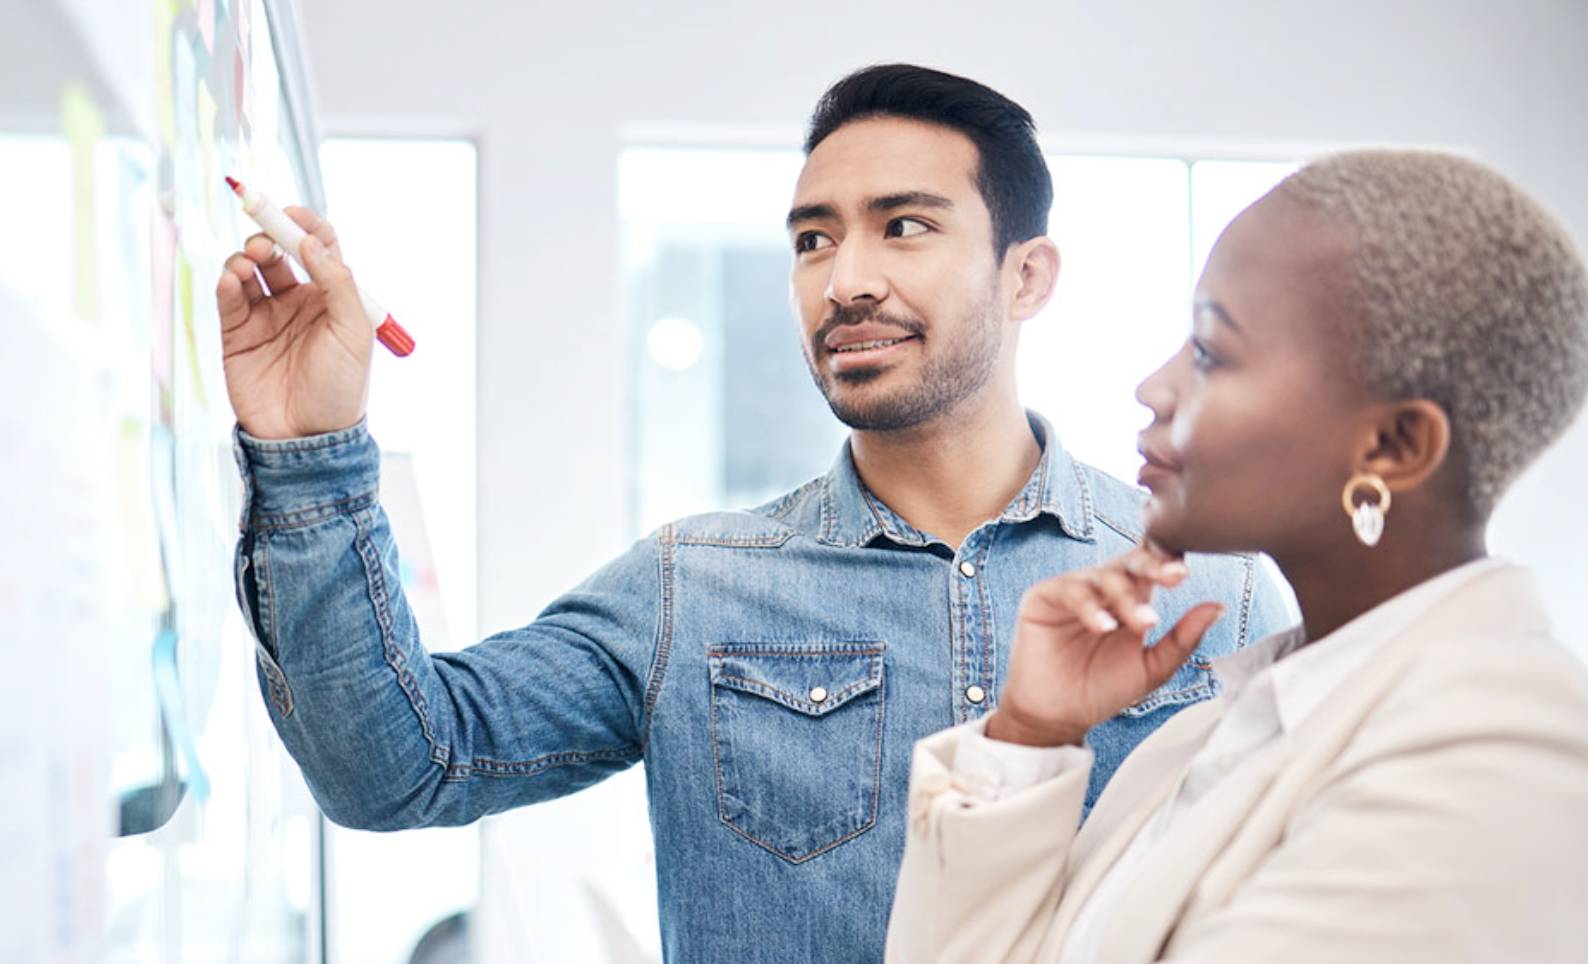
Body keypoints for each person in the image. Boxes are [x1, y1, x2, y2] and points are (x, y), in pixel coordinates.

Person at [214, 64, 1289, 962]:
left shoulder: (1216, 590)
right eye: (812, 241)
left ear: (1027, 276)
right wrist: (309, 452)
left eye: (902, 227)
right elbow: (395, 768)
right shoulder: (695, 587)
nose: (843, 281)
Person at [886, 149, 1588, 963]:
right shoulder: (1219, 728)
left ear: (1393, 446)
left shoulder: (1495, 757)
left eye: (1212, 354)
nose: (1154, 386)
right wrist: (1030, 735)